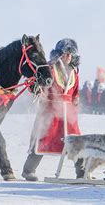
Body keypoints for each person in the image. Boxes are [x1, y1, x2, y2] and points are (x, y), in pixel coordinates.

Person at [22, 38, 83, 181]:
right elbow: (39, 85)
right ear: (58, 54)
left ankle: (81, 173)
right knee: (43, 139)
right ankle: (28, 170)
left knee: (76, 141)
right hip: (50, 110)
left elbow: (75, 92)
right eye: (65, 53)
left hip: (68, 113)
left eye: (70, 54)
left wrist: (76, 98)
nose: (68, 57)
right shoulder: (49, 68)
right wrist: (39, 91)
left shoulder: (75, 71)